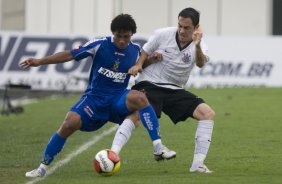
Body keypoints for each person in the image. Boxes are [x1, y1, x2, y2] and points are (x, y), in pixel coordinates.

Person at [20, 14, 175, 178]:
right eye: (118, 36)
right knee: (68, 124)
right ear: (113, 33)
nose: (122, 40)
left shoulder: (136, 49)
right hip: (94, 99)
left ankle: (158, 147)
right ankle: (42, 167)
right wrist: (40, 61)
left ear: (132, 35)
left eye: (126, 37)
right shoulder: (99, 44)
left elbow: (140, 64)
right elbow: (70, 54)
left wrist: (151, 60)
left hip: (117, 99)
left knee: (140, 99)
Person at [128, 7, 215, 173]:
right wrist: (139, 65)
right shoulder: (163, 34)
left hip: (175, 90)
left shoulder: (201, 44)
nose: (182, 30)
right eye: (180, 25)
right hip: (150, 83)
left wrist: (196, 45)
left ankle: (197, 165)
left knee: (207, 114)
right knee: (137, 115)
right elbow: (146, 50)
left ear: (196, 28)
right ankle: (113, 153)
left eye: (187, 27)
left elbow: (201, 63)